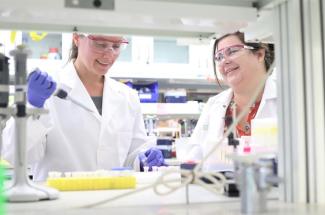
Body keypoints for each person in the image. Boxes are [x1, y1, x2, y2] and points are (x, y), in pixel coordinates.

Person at [2, 33, 164, 181]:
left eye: (116, 46)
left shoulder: (128, 97)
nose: (109, 54)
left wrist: (143, 159)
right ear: (76, 38)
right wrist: (32, 106)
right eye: (100, 44)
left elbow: (131, 156)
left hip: (112, 200)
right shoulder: (47, 88)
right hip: (60, 205)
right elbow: (16, 155)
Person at [186, 31, 276, 171]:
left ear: (259, 54)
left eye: (232, 51)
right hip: (218, 191)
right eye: (219, 56)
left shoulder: (290, 100)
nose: (224, 61)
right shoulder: (213, 106)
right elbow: (193, 158)